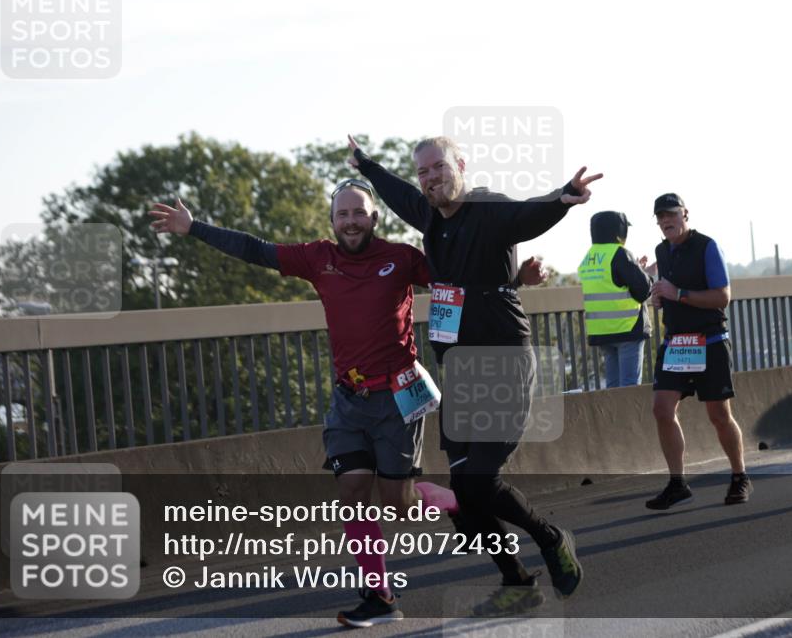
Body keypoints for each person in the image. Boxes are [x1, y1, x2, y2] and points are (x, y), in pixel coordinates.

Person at [149, 180, 543, 628]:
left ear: (374, 218)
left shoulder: (401, 258)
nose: (351, 221)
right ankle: (380, 597)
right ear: (332, 221)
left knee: (399, 504)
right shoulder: (318, 258)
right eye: (343, 214)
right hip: (348, 400)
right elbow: (255, 249)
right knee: (352, 492)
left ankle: (458, 502)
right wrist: (194, 227)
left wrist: (515, 278)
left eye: (359, 213)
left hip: (398, 396)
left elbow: (460, 277)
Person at [348, 134, 600, 614]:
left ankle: (550, 537)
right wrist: (366, 164)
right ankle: (518, 582)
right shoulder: (427, 214)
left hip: (502, 363)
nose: (429, 178)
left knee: (479, 483)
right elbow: (397, 190)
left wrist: (564, 196)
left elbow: (528, 214)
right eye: (423, 172)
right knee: (464, 497)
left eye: (438, 168)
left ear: (459, 165)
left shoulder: (486, 207)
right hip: (459, 372)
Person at [646, 193, 751, 509]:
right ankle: (677, 483)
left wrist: (678, 294)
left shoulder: (707, 246)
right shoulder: (661, 251)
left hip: (710, 341)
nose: (666, 221)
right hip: (676, 342)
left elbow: (722, 296)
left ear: (685, 214)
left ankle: (739, 476)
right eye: (660, 217)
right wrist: (660, 298)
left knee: (719, 415)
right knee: (662, 410)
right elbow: (671, 291)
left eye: (671, 214)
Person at [579, 211, 653, 387]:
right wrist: (646, 274)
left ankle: (614, 416)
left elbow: (611, 281)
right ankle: (627, 417)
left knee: (612, 389)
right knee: (629, 389)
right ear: (620, 231)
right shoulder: (619, 253)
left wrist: (636, 268)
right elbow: (643, 290)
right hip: (627, 328)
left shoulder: (589, 257)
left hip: (602, 331)